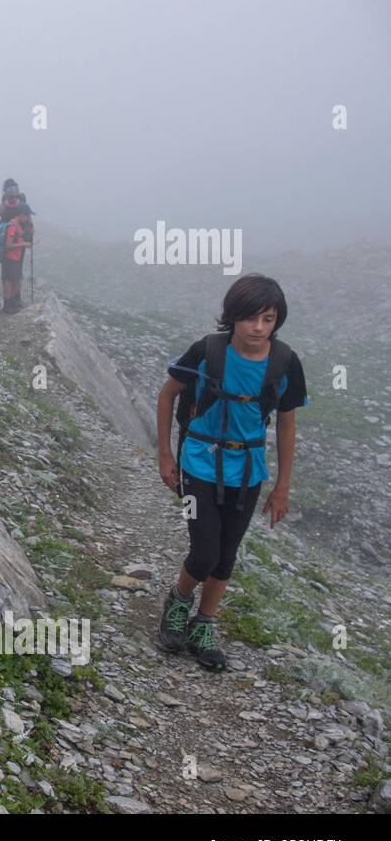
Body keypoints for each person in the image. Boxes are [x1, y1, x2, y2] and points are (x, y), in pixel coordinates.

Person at [154, 274, 308, 670]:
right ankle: (178, 600)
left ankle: (203, 625)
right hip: (198, 464)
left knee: (225, 556)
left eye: (268, 319)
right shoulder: (207, 350)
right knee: (204, 551)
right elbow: (168, 393)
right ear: (232, 317)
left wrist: (282, 485)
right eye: (250, 318)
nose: (259, 327)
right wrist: (165, 456)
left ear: (278, 320)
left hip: (248, 472)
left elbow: (287, 424)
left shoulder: (285, 361)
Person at [0, 206, 33, 313]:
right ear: (21, 214)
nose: (28, 218)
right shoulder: (13, 226)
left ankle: (10, 304)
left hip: (15, 258)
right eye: (27, 215)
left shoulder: (18, 225)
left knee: (14, 281)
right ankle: (7, 306)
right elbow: (8, 245)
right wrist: (23, 244)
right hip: (10, 258)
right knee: (9, 281)